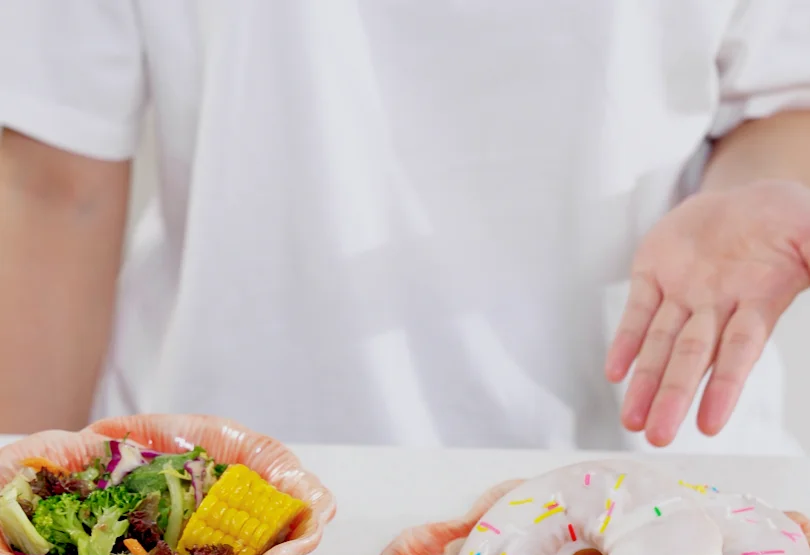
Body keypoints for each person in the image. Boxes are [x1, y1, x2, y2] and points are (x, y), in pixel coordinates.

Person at [0, 1, 809, 455]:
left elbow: (781, 99)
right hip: (206, 482)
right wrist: (24, 505)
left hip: (650, 481)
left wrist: (761, 193)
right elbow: (52, 178)